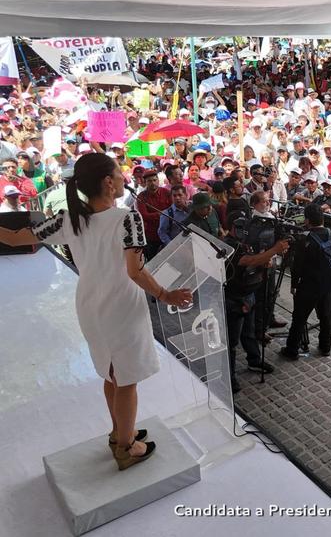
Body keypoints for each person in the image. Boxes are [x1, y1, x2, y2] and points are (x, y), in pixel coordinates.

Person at [0, 153, 191, 470]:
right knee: (126, 380)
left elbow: (17, 236)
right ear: (108, 182)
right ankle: (127, 448)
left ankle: (120, 431)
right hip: (121, 308)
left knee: (111, 374)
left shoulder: (68, 219)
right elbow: (134, 271)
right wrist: (165, 294)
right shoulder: (127, 219)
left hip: (89, 305)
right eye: (119, 173)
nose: (122, 178)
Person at [223, 212, 289, 392]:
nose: (245, 232)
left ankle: (254, 360)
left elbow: (254, 261)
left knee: (249, 332)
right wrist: (274, 250)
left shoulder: (247, 242)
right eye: (240, 228)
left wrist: (263, 262)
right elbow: (246, 261)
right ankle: (229, 375)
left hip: (249, 293)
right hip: (234, 298)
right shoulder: (227, 244)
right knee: (232, 341)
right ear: (231, 227)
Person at [281, 204, 331, 359]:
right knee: (326, 317)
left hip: (308, 285)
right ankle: (325, 347)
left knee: (299, 318)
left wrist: (293, 285)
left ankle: (292, 349)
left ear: (307, 220)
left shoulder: (304, 239)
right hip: (327, 284)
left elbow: (296, 265)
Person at [135, 169, 172, 260]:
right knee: (154, 260)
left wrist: (157, 215)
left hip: (168, 232)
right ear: (145, 183)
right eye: (149, 181)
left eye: (155, 180)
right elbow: (144, 216)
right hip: (152, 235)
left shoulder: (166, 192)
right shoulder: (141, 196)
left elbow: (172, 210)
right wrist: (162, 214)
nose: (153, 183)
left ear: (158, 181)